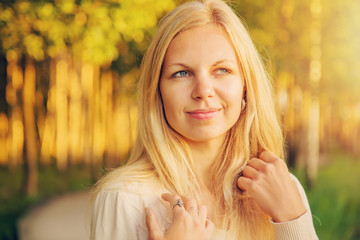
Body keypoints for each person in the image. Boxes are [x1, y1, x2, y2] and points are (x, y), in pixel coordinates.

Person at [90, 0, 319, 239]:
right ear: (158, 91)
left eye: (222, 70)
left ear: (245, 86)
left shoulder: (283, 188)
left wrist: (293, 220)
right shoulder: (125, 199)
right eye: (182, 73)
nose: (203, 90)